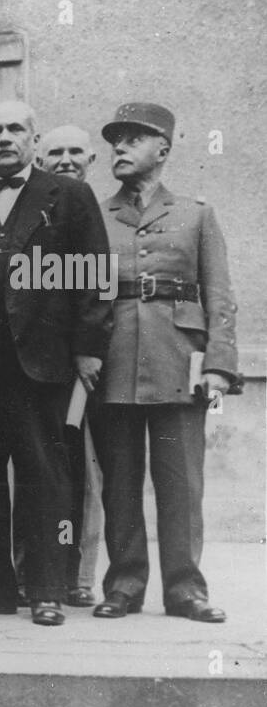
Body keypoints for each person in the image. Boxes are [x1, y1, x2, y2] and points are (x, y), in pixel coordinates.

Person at [0, 100, 113, 627]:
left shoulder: (71, 197)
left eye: (16, 129)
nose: (5, 138)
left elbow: (96, 277)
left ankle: (46, 589)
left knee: (45, 476)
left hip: (43, 365)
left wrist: (88, 348)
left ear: (33, 141)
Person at [90, 102, 236, 623]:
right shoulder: (95, 213)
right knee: (120, 482)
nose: (120, 148)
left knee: (181, 481)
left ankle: (185, 590)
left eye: (133, 139)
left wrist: (219, 364)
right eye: (116, 140)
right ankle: (125, 585)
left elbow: (218, 293)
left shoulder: (196, 213)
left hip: (181, 360)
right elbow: (83, 294)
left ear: (163, 150)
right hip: (114, 360)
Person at [22, 123, 105, 608]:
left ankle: (80, 577)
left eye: (77, 151)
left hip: (92, 360)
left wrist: (90, 347)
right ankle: (33, 571)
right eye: (55, 152)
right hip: (46, 363)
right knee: (47, 468)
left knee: (85, 473)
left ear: (91, 158)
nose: (67, 159)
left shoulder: (94, 208)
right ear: (40, 158)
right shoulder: (39, 210)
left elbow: (100, 282)